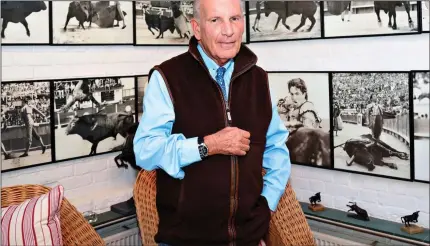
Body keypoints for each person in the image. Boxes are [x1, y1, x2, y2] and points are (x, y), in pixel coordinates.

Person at [133, 0, 291, 245]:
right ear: (197, 29)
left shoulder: (259, 79)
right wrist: (207, 145)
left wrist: (267, 207)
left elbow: (277, 149)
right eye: (215, 20)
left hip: (248, 238)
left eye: (234, 19)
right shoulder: (167, 77)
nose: (228, 31)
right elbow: (145, 150)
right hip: (186, 239)